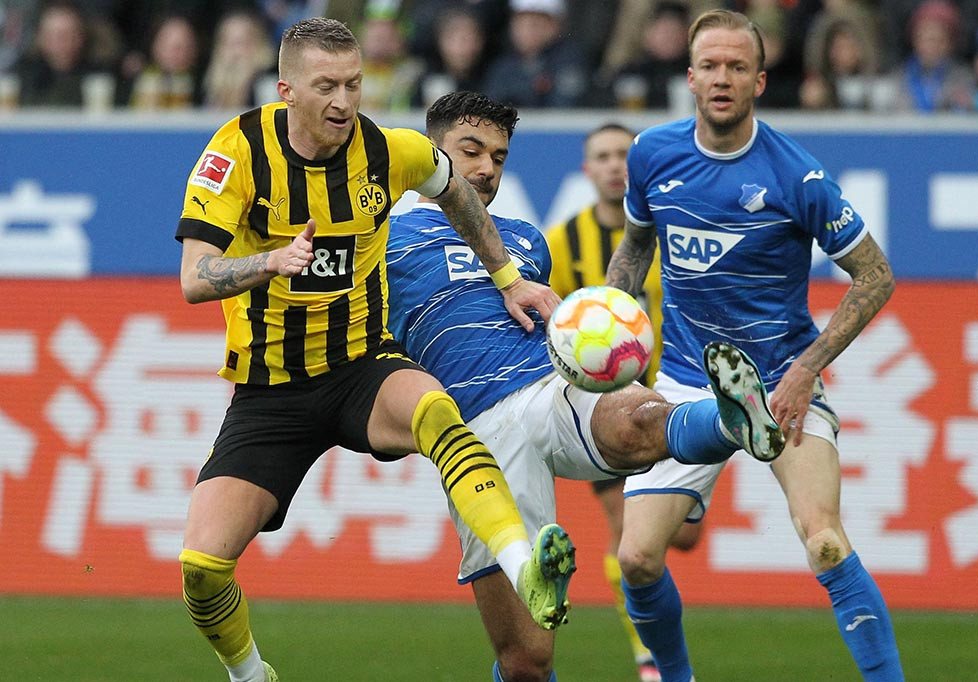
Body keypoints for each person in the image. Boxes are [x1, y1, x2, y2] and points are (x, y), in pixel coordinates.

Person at [175, 19, 575, 682]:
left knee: (440, 415)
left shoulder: (393, 152)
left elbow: (459, 199)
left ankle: (523, 564)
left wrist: (507, 277)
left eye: (354, 83)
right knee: (203, 570)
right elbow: (195, 277)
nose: (342, 99)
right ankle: (250, 674)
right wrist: (271, 261)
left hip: (361, 363)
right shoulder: (237, 151)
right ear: (286, 90)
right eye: (326, 84)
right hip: (271, 391)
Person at [386, 90, 784, 682]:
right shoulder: (381, 237)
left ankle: (730, 420)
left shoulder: (524, 240)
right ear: (430, 154)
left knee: (632, 417)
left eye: (498, 156)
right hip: (475, 438)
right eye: (471, 151)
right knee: (527, 661)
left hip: (549, 389)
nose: (486, 169)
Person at [606, 9, 904, 682]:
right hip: (685, 382)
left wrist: (804, 372)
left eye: (737, 67)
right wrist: (615, 345)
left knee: (825, 543)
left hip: (777, 384)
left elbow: (875, 275)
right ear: (689, 76)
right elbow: (635, 249)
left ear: (760, 81)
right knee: (636, 560)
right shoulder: (652, 154)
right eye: (710, 66)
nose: (722, 79)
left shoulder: (795, 176)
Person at [544, 122, 699, 682]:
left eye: (622, 155)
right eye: (602, 156)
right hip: (604, 409)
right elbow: (550, 325)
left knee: (680, 536)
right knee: (626, 531)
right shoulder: (563, 242)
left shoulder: (674, 231)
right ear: (586, 169)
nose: (613, 165)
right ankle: (649, 661)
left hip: (677, 400)